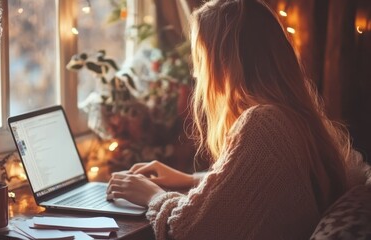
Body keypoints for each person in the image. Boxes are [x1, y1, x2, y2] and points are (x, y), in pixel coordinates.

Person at [106, 0, 370, 239]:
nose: (197, 72)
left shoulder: (264, 124)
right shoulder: (293, 117)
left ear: (223, 61)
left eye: (199, 57)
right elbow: (265, 185)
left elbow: (192, 230)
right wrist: (190, 180)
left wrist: (151, 195)